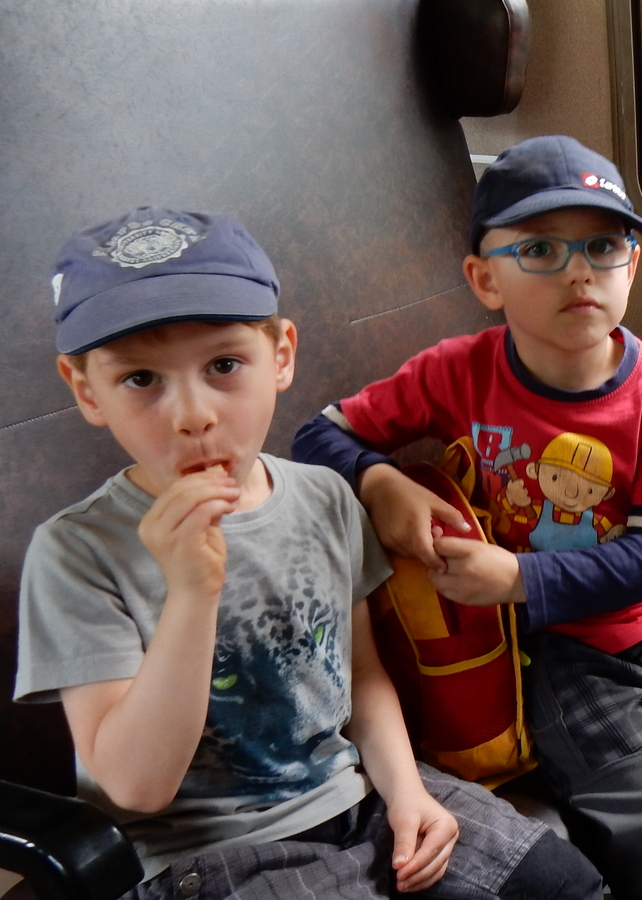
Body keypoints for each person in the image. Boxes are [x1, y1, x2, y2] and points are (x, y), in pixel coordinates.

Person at [292, 135, 642, 900]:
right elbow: (317, 436)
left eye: (603, 247)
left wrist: (515, 576)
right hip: (560, 647)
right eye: (540, 249)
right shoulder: (458, 372)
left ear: (631, 268)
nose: (580, 270)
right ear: (486, 279)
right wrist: (379, 480)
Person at [13, 207, 603, 900]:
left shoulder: (323, 497)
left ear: (281, 356)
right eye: (141, 380)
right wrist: (192, 593)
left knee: (565, 883)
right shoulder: (75, 553)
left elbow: (361, 675)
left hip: (357, 796)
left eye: (224, 365)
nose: (192, 415)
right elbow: (137, 788)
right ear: (87, 390)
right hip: (209, 853)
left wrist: (407, 792)